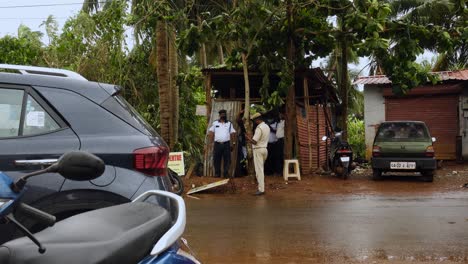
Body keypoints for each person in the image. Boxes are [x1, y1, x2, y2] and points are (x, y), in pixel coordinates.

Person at [246, 113, 270, 196]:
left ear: (257, 120)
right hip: (265, 149)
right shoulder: (266, 126)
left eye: (255, 120)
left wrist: (248, 138)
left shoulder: (259, 128)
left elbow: (254, 141)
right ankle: (261, 186)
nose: (255, 122)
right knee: (261, 169)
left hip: (258, 150)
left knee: (259, 171)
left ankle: (261, 189)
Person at [208, 109, 236, 178]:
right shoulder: (215, 123)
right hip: (217, 144)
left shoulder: (229, 123)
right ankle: (217, 174)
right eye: (222, 114)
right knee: (216, 159)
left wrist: (233, 143)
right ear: (219, 115)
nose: (223, 115)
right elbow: (211, 132)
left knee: (227, 159)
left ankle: (226, 173)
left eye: (224, 114)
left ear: (225, 115)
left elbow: (232, 133)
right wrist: (210, 143)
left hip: (226, 144)